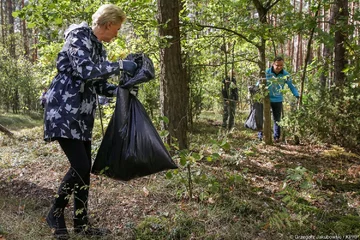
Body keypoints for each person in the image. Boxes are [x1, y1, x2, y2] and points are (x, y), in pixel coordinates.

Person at [43, 4, 137, 239]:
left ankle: (81, 224)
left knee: (83, 172)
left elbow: (97, 82)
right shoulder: (78, 37)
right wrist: (119, 65)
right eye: (116, 29)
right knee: (81, 166)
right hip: (63, 110)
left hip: (82, 115)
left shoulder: (99, 48)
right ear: (107, 25)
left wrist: (119, 91)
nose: (117, 34)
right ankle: (55, 213)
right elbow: (86, 71)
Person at [257, 56, 299, 142]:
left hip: (278, 100)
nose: (279, 67)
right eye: (277, 65)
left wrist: (297, 95)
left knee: (277, 119)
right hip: (266, 99)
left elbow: (291, 86)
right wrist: (255, 91)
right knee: (264, 118)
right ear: (273, 64)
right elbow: (258, 83)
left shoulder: (285, 74)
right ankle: (261, 136)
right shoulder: (267, 73)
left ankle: (276, 137)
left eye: (281, 65)